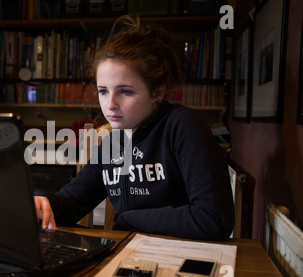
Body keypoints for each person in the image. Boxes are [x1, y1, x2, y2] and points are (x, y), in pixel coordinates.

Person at [34, 15, 234, 241]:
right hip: (132, 255)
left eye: (125, 91)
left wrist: (128, 219)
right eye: (103, 91)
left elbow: (214, 219)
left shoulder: (183, 125)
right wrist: (43, 203)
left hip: (184, 258)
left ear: (157, 92)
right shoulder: (113, 142)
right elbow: (73, 201)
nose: (110, 104)